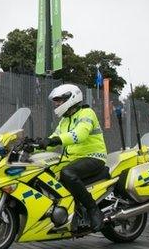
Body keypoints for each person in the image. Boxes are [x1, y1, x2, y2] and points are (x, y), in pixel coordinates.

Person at [36, 84, 107, 232]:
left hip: (93, 156)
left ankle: (93, 210)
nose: (56, 104)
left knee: (67, 173)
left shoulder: (87, 113)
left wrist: (54, 140)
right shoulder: (64, 120)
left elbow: (80, 134)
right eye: (55, 101)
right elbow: (54, 139)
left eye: (59, 101)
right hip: (72, 159)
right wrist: (35, 145)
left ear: (71, 98)